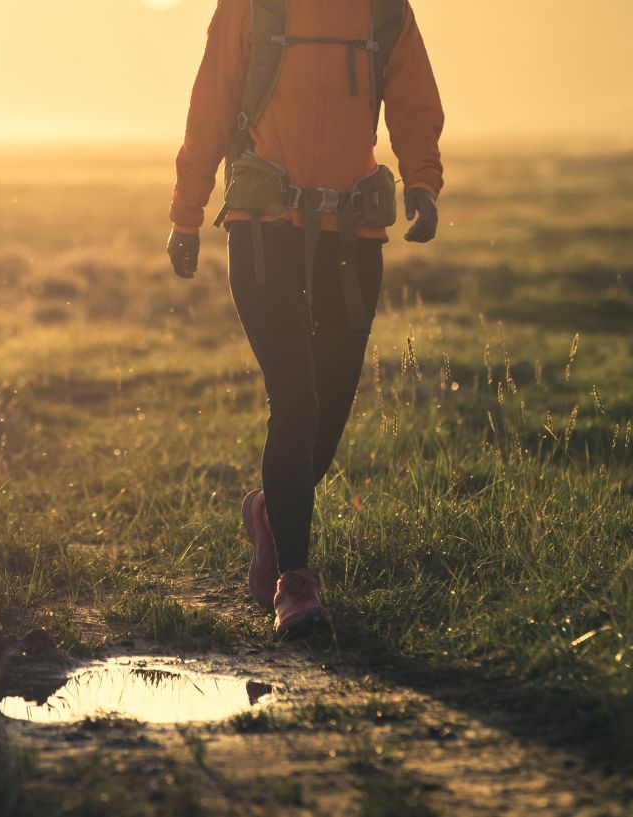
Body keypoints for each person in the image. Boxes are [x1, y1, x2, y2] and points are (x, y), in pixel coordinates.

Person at [166, 0, 444, 637]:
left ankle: (271, 509)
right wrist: (186, 215)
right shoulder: (251, 6)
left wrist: (422, 182)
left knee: (331, 401)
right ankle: (296, 582)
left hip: (352, 234)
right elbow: (209, 106)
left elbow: (414, 100)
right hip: (264, 231)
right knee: (297, 395)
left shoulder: (383, 10)